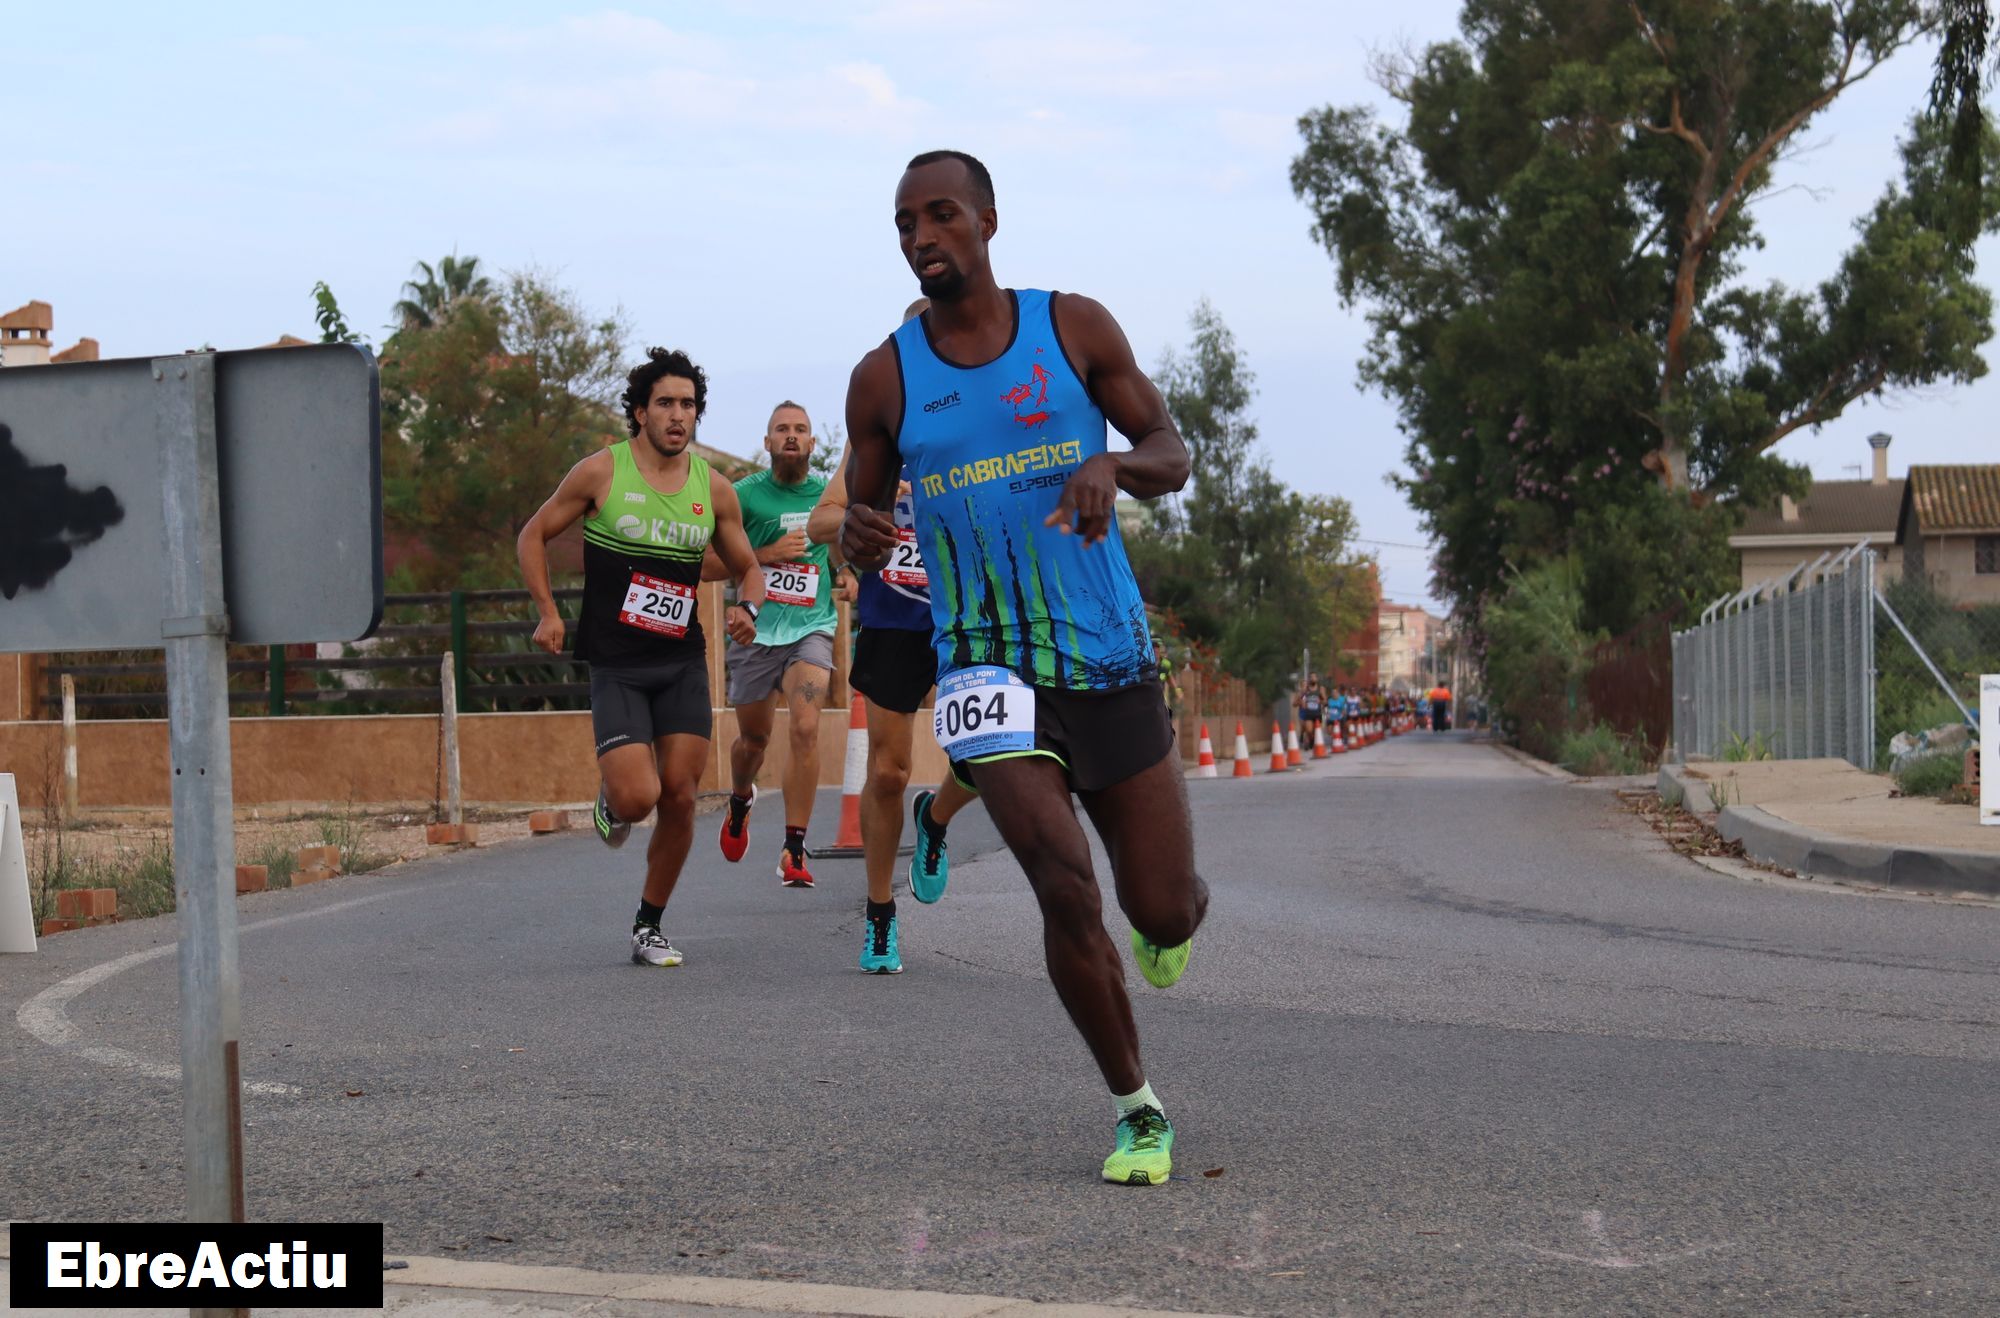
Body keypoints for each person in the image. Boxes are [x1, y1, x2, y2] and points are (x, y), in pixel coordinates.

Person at [840, 149, 1208, 1187]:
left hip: (1106, 651)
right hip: (983, 667)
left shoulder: (1073, 327)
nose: (921, 237)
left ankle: (1171, 918)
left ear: (988, 221)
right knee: (1062, 885)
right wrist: (857, 537)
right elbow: (861, 517)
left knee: (1161, 907)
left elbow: (1171, 452)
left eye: (940, 215)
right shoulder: (883, 378)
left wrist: (1112, 464)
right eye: (905, 223)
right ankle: (1136, 1109)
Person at [517, 348, 764, 968]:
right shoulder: (601, 472)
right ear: (639, 412)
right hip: (618, 664)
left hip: (681, 662)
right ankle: (612, 800)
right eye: (666, 403)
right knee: (638, 799)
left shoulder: (714, 489)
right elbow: (532, 535)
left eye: (688, 405)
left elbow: (749, 568)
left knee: (680, 796)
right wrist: (548, 611)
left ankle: (649, 924)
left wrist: (749, 608)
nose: (678, 415)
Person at [808, 310, 981, 973]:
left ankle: (934, 819)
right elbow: (822, 518)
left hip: (971, 615)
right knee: (887, 771)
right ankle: (881, 915)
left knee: (992, 756)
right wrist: (861, 513)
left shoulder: (988, 422)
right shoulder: (880, 431)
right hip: (895, 617)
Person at [706, 401, 850, 888]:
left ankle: (794, 847)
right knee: (754, 740)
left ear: (813, 442)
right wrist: (765, 554)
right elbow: (705, 564)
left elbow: (837, 547)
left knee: (806, 727)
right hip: (755, 633)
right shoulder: (743, 496)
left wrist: (845, 572)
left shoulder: (828, 496)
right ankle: (740, 798)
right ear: (767, 442)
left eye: (801, 429)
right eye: (782, 429)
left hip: (811, 630)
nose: (792, 435)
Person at [1155, 638, 1183, 752]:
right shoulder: (1147, 664)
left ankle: (1168, 743)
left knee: (1166, 717)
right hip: (1148, 697)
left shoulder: (1166, 664)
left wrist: (1177, 690)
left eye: (1157, 649)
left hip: (1161, 698)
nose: (1156, 651)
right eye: (1153, 649)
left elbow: (1169, 678)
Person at [1296, 673, 1324, 750]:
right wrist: (1302, 702)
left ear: (1317, 679)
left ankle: (1312, 741)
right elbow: (1298, 700)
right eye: (1311, 677)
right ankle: (1310, 739)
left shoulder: (1320, 689)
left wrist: (1320, 701)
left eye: (1314, 677)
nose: (1312, 678)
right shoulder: (1305, 690)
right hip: (1308, 714)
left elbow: (1325, 701)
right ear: (1309, 679)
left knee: (1316, 731)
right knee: (1309, 730)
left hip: (1317, 713)